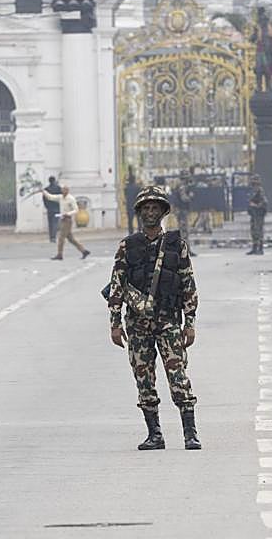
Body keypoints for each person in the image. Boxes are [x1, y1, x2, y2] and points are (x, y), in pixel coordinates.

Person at [107, 186, 200, 450]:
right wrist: (115, 323)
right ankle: (154, 434)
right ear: (139, 213)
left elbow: (187, 285)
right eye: (146, 208)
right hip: (137, 325)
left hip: (168, 321)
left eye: (154, 208)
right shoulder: (128, 246)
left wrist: (189, 323)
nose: (150, 212)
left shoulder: (176, 246)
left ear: (162, 212)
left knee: (178, 376)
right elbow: (116, 285)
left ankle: (190, 433)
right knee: (143, 378)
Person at [43, 184, 90, 261]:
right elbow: (51, 197)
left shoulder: (71, 199)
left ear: (68, 191)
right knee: (71, 239)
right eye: (63, 190)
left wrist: (68, 213)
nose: (63, 191)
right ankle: (83, 251)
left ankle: (59, 254)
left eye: (65, 190)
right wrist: (44, 192)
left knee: (61, 238)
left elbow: (76, 210)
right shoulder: (61, 197)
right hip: (62, 219)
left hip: (67, 220)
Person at [172, 172, 198, 257]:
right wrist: (190, 196)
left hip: (180, 210)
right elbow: (184, 198)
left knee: (183, 231)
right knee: (184, 231)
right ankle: (185, 251)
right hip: (182, 211)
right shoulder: (182, 186)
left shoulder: (179, 185)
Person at [246, 175, 268, 256]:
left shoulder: (260, 190)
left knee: (258, 230)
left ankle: (260, 248)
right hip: (254, 214)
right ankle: (254, 248)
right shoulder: (253, 191)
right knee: (253, 231)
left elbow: (264, 202)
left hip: (258, 213)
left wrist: (256, 205)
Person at [43, 176, 62, 242]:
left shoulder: (46, 189)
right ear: (54, 180)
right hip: (57, 208)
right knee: (55, 222)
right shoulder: (59, 188)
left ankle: (51, 237)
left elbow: (44, 199)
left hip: (49, 209)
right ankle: (53, 237)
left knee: (50, 223)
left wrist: (47, 206)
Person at [124, 167, 140, 234]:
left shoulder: (126, 188)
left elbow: (125, 196)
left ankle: (131, 232)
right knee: (139, 220)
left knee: (130, 221)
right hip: (136, 205)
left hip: (129, 206)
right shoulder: (138, 187)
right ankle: (140, 231)